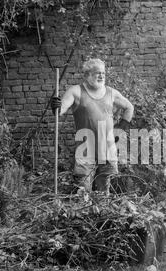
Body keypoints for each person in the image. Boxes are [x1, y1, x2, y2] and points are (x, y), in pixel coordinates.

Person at [51, 58, 134, 194]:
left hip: (107, 150)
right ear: (87, 75)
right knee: (83, 192)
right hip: (85, 150)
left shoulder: (111, 93)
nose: (101, 76)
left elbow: (129, 107)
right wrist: (56, 106)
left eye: (103, 73)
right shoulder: (76, 91)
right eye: (97, 73)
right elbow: (60, 111)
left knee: (104, 192)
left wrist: (119, 130)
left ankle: (102, 215)